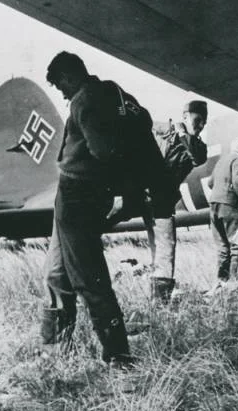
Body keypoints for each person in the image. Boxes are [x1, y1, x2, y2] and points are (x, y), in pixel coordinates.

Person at [39, 51, 166, 368]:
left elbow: (105, 152)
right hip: (79, 197)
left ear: (70, 77)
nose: (63, 93)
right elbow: (144, 122)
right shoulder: (114, 92)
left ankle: (117, 356)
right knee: (56, 273)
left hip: (77, 198)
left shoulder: (84, 100)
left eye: (61, 86)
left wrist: (123, 190)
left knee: (88, 278)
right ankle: (57, 354)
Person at [142, 100, 208, 303]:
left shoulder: (199, 147)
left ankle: (159, 301)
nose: (201, 125)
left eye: (204, 122)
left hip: (162, 200)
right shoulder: (161, 129)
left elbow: (196, 157)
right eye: (197, 120)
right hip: (139, 192)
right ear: (185, 116)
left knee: (165, 247)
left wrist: (181, 133)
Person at [207, 140, 238, 286]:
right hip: (229, 207)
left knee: (222, 246)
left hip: (214, 206)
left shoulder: (222, 161)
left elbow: (210, 183)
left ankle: (221, 281)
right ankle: (235, 281)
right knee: (236, 244)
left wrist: (220, 191)